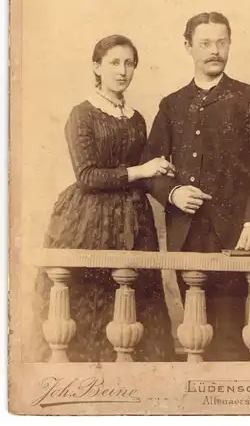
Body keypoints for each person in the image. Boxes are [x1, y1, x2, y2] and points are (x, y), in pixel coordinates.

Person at [141, 12, 250, 361]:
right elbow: (150, 168)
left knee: (232, 339)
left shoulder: (249, 99)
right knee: (193, 337)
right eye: (204, 43)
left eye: (221, 42)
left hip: (236, 237)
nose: (214, 50)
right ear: (187, 46)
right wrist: (173, 192)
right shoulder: (172, 105)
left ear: (230, 44)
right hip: (186, 236)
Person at [33, 34, 176, 363]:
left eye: (129, 63)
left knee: (136, 301)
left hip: (133, 222)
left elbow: (146, 170)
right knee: (90, 300)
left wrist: (164, 173)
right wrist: (141, 171)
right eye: (114, 62)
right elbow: (86, 176)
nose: (122, 70)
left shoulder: (138, 118)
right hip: (88, 219)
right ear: (97, 67)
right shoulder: (81, 114)